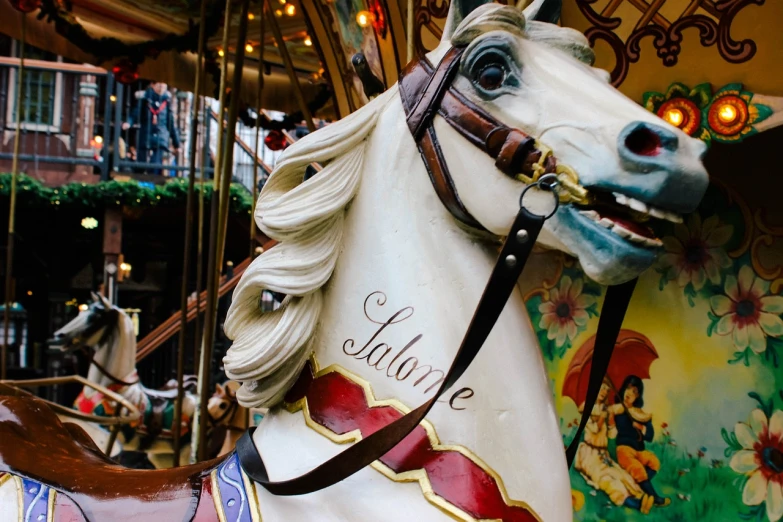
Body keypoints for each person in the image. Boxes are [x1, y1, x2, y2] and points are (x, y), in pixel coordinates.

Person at [574, 378, 650, 513]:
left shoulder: (606, 409)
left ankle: (642, 498)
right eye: (602, 388)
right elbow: (594, 430)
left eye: (607, 390)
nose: (604, 392)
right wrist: (603, 417)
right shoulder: (587, 408)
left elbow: (611, 435)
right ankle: (633, 503)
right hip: (589, 455)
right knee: (607, 479)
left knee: (621, 474)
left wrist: (610, 423)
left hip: (603, 454)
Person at [610, 375, 671, 509]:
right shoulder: (617, 410)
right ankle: (655, 498)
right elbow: (612, 429)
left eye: (634, 391)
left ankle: (637, 485)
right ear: (622, 389)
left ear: (638, 396)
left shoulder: (640, 413)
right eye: (628, 388)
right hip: (624, 450)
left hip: (640, 450)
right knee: (638, 469)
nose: (629, 393)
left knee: (654, 462)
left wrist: (641, 427)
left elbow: (649, 436)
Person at [122, 82, 180, 175]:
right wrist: (129, 122)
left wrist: (177, 144)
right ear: (153, 85)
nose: (161, 87)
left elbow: (171, 124)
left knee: (156, 164)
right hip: (146, 134)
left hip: (161, 137)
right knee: (141, 163)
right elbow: (135, 113)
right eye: (159, 84)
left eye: (164, 85)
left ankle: (152, 183)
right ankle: (140, 180)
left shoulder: (166, 102)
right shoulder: (145, 99)